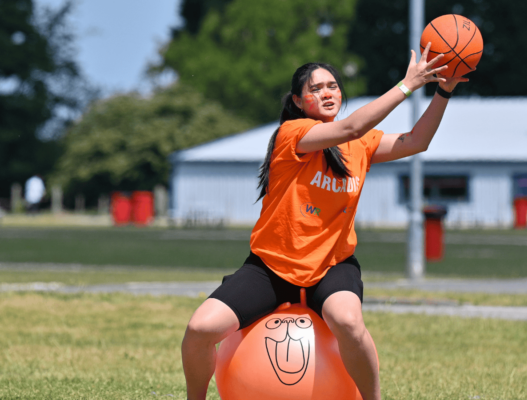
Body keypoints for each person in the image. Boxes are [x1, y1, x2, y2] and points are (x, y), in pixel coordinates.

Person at [181, 44, 469, 400]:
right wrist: (407, 85)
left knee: (348, 321)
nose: (327, 92)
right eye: (316, 89)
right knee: (199, 328)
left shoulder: (360, 144)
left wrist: (444, 90)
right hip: (272, 267)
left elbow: (417, 141)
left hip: (331, 266)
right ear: (300, 102)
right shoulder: (293, 133)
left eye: (332, 85)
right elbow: (349, 127)